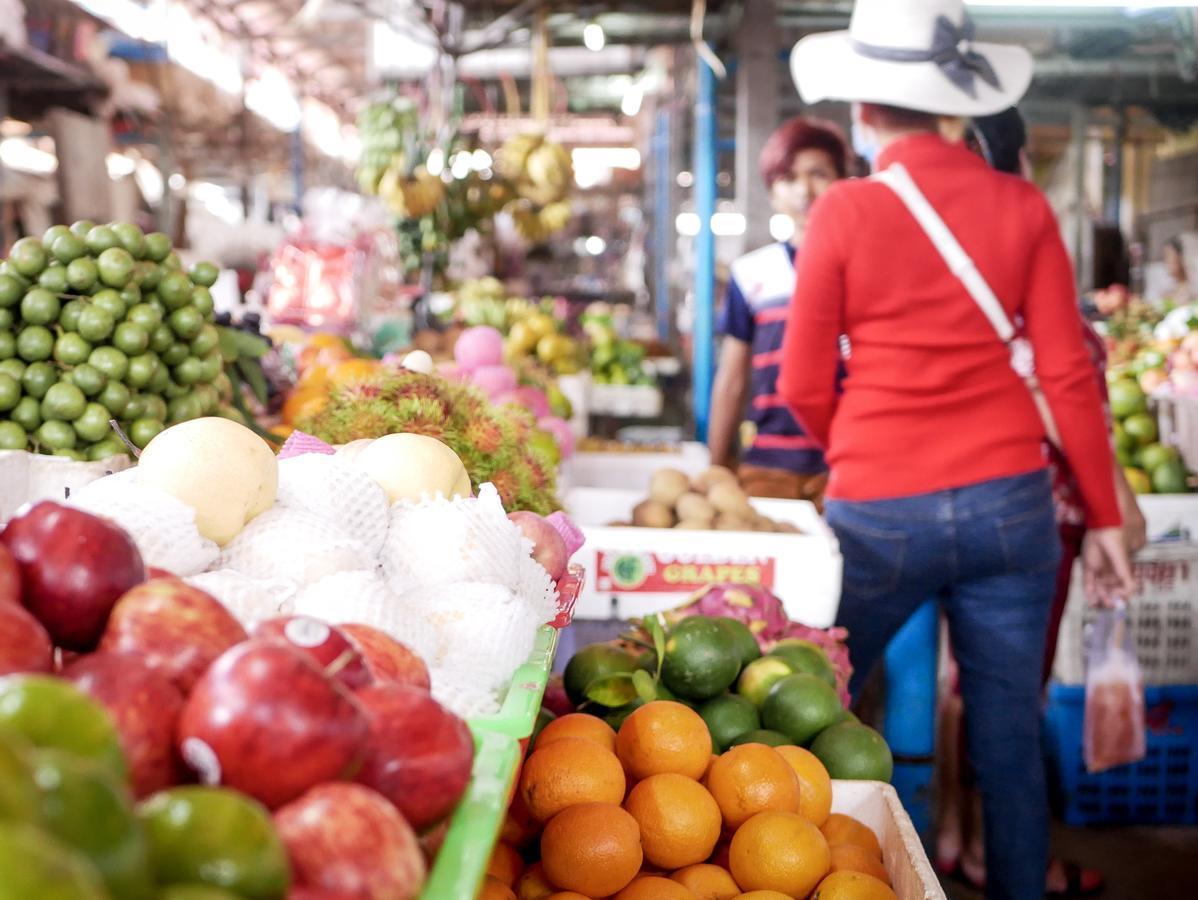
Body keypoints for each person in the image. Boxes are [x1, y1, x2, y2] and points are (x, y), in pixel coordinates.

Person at [782, 2, 1135, 898]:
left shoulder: (843, 212)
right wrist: (1102, 518)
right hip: (1010, 508)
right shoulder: (1020, 207)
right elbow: (1068, 377)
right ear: (954, 107)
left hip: (877, 513)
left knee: (804, 704)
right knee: (1007, 744)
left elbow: (800, 386)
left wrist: (857, 451)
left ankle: (785, 869)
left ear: (863, 110)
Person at [933, 108, 1148, 898]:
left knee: (962, 683)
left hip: (952, 501)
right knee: (1007, 696)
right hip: (1035, 513)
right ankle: (997, 852)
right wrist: (1113, 512)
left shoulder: (946, 274)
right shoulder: (1032, 266)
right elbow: (1068, 403)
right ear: (1017, 161)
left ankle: (955, 833)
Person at [707, 117, 848, 503]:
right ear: (772, 191)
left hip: (846, 468)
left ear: (842, 182)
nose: (804, 190)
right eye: (789, 177)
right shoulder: (752, 272)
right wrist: (717, 471)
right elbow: (731, 381)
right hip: (768, 468)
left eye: (819, 173)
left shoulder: (864, 268)